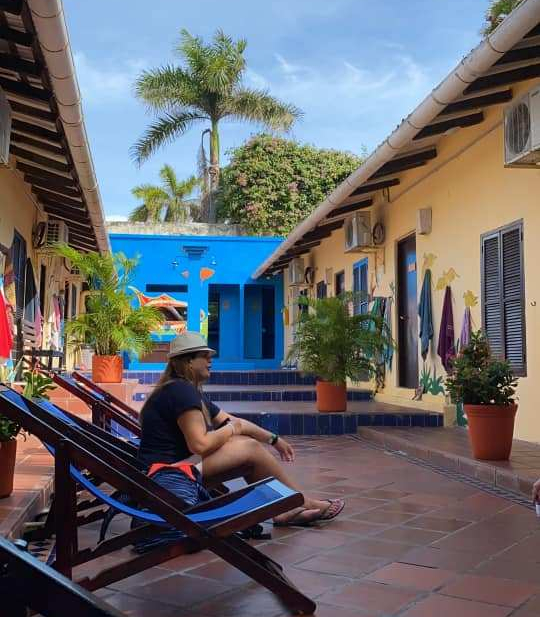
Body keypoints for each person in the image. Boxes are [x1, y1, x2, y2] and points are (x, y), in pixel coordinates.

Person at [138, 331, 345, 526]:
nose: (211, 360)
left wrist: (273, 439)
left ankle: (281, 510)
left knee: (246, 450)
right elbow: (200, 445)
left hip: (172, 473)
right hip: (166, 478)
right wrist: (232, 429)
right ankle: (301, 502)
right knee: (249, 448)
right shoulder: (181, 391)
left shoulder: (184, 389)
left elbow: (236, 422)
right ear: (188, 361)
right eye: (205, 356)